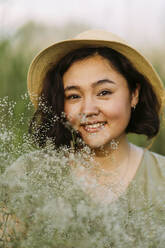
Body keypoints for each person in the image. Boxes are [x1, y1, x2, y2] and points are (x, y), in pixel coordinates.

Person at [1, 29, 165, 247]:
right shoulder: (29, 174)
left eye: (104, 92)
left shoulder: (161, 179)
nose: (88, 109)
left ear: (134, 94)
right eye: (74, 96)